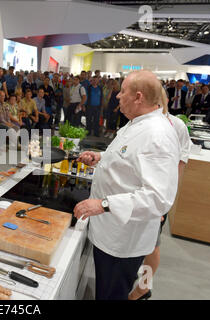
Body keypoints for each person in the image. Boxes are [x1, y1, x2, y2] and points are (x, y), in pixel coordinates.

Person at [74, 70, 180, 300]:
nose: (118, 96)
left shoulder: (157, 135)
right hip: (110, 232)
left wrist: (103, 204)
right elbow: (126, 158)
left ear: (139, 97)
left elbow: (157, 198)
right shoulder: (135, 124)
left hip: (123, 240)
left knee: (111, 295)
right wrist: (100, 157)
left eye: (123, 92)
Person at [128, 86, 193, 300]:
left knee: (151, 246)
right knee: (138, 241)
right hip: (136, 192)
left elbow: (179, 165)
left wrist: (166, 202)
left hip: (155, 197)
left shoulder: (177, 126)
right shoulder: (138, 121)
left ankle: (143, 288)